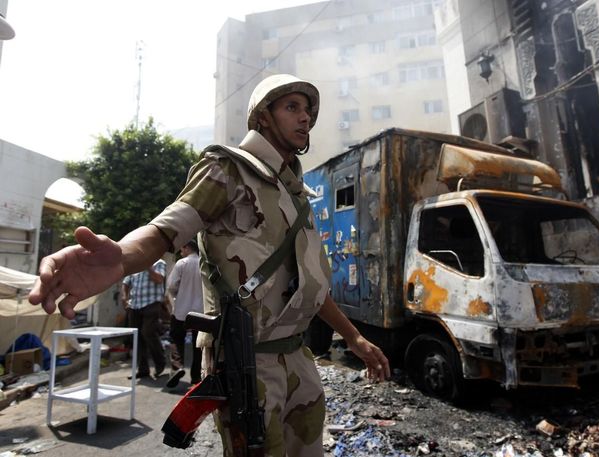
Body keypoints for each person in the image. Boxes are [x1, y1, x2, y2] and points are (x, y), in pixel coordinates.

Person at [28, 73, 390, 457]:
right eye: (292, 107)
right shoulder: (228, 169)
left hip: (298, 359)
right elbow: (164, 230)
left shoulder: (296, 193)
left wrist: (353, 337)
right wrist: (122, 257)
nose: (305, 118)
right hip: (248, 359)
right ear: (263, 117)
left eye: (308, 110)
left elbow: (309, 286)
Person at [165, 239, 203, 387]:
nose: (181, 252)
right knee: (198, 345)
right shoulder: (204, 263)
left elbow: (171, 285)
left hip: (181, 310)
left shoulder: (182, 263)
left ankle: (177, 367)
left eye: (181, 249)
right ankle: (196, 378)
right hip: (201, 312)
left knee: (175, 338)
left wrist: (179, 294)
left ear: (187, 247)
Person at [121, 259, 167, 379]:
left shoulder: (159, 263)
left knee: (148, 332)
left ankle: (160, 362)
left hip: (151, 303)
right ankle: (143, 369)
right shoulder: (135, 264)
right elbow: (126, 282)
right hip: (135, 305)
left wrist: (148, 266)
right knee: (136, 337)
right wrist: (124, 297)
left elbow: (159, 279)